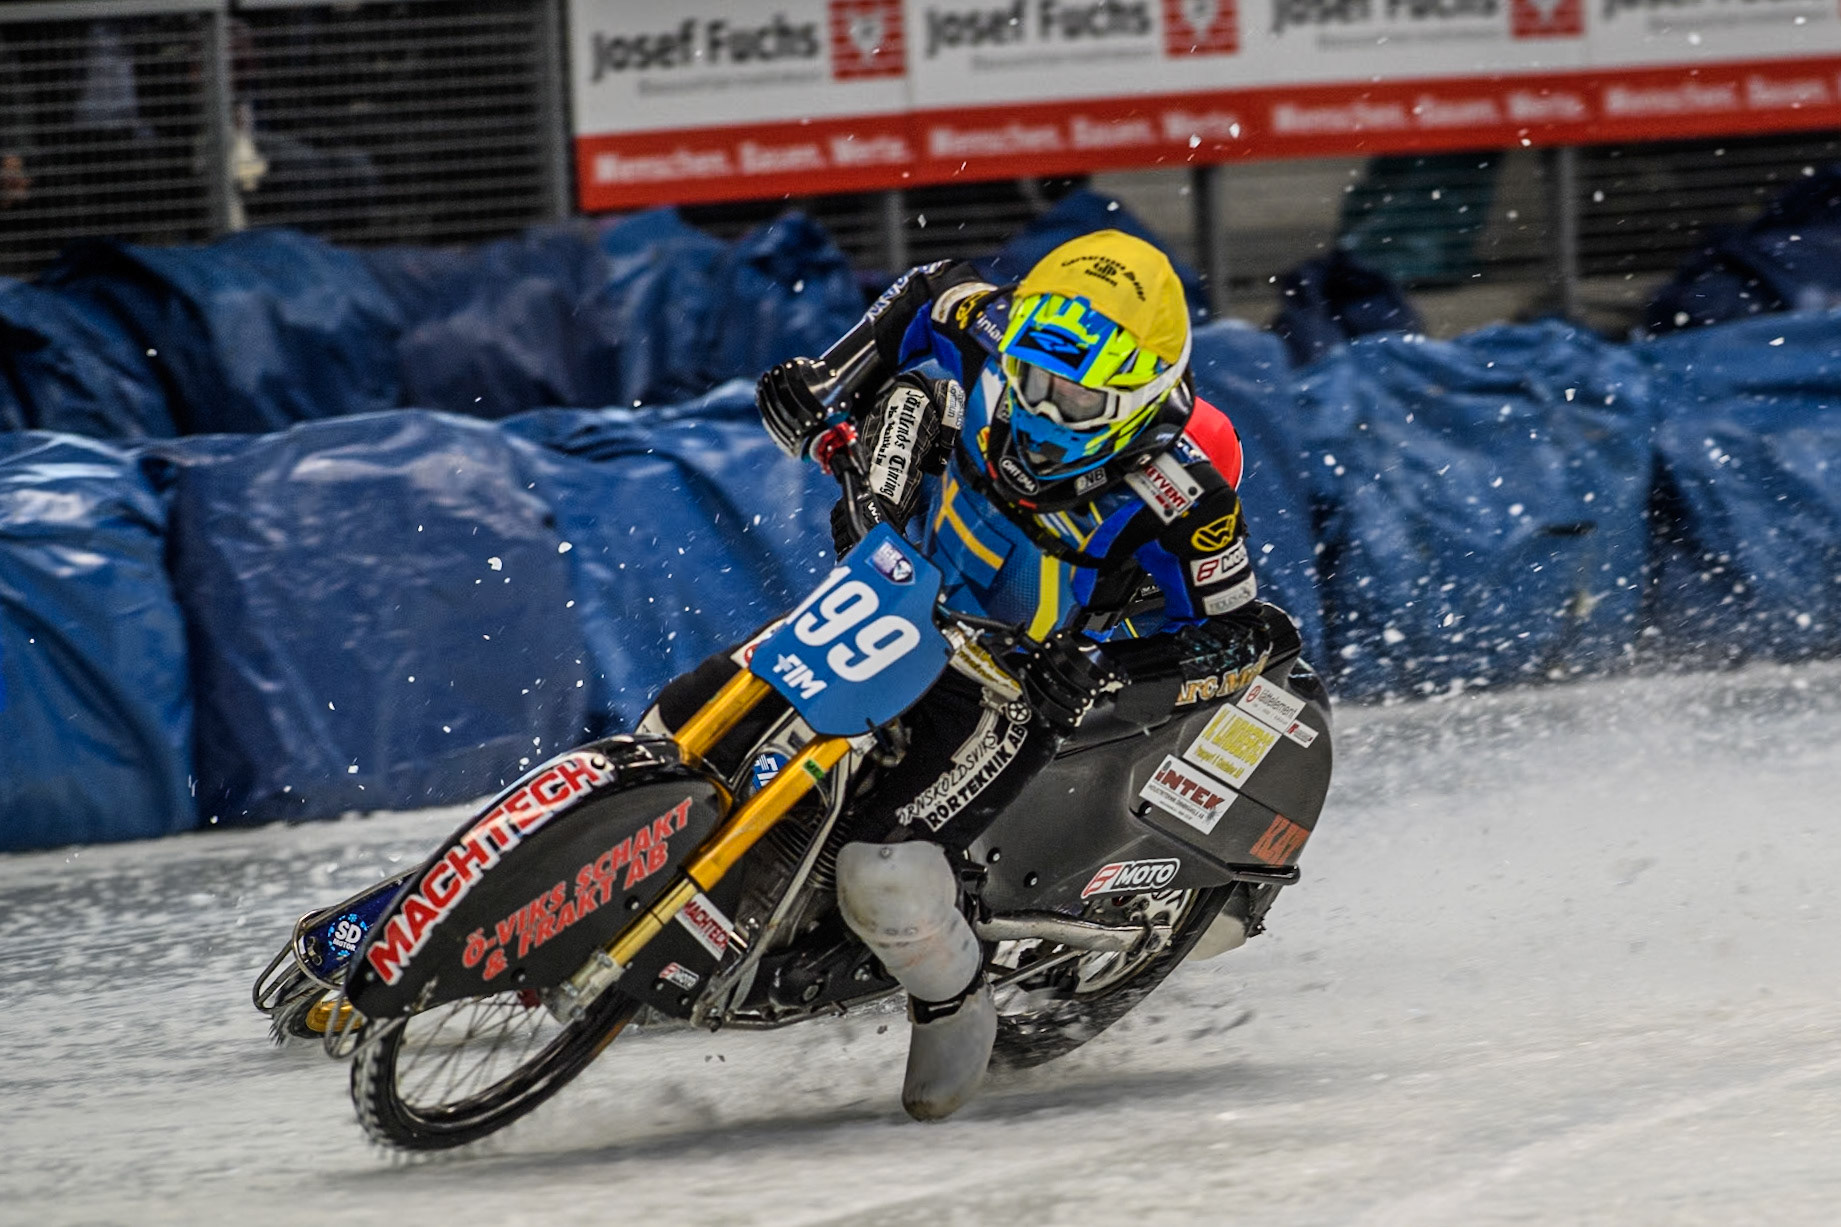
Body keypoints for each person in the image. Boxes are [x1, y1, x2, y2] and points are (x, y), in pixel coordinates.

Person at [643, 230, 1268, 1121]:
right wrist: (824, 385)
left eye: (1077, 396)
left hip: (1010, 679)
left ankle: (952, 1005)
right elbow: (926, 288)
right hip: (887, 598)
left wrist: (1093, 667)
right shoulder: (980, 323)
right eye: (1035, 380)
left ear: (1138, 400)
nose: (1044, 415)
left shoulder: (1186, 496)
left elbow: (1235, 637)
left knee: (883, 869)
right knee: (685, 718)